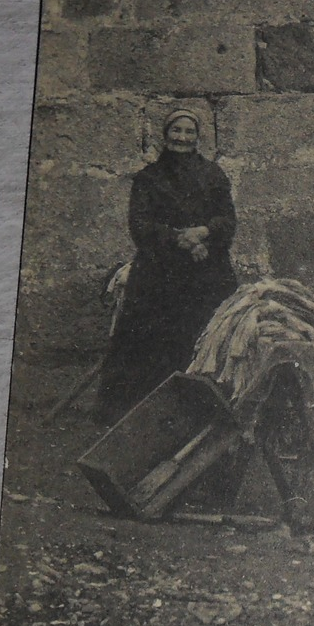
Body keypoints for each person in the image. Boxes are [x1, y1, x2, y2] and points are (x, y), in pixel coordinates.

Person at [94, 110, 237, 426]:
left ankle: (205, 414)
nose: (182, 138)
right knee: (149, 341)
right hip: (161, 271)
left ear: (197, 137)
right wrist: (178, 239)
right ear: (166, 134)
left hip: (206, 272)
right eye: (176, 130)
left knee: (209, 335)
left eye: (189, 132)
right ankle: (140, 418)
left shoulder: (213, 175)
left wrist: (204, 233)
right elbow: (140, 225)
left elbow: (228, 220)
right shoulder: (149, 178)